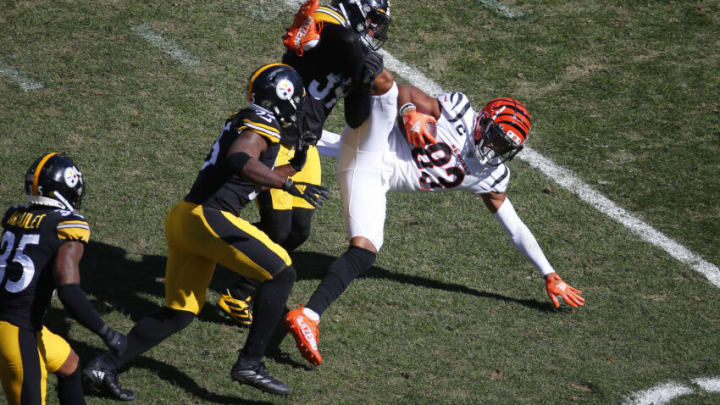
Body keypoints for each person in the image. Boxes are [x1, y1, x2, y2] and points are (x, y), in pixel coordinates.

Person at [284, 82, 586, 367]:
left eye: (504, 146)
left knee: (365, 251)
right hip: (374, 139)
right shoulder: (457, 112)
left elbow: (515, 227)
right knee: (383, 85)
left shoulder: (490, 175)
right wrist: (408, 113)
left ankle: (308, 316)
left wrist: (549, 273)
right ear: (483, 121)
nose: (495, 148)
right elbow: (404, 92)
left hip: (373, 176)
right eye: (495, 136)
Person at [82, 63, 328, 399]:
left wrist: (295, 165)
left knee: (179, 313)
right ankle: (250, 363)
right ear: (283, 96)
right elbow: (240, 158)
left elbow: (247, 171)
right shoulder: (262, 122)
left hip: (186, 218)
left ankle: (102, 365)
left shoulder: (250, 119)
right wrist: (284, 182)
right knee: (282, 273)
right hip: (210, 216)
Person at [216, 0, 393, 327]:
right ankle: (225, 273)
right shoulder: (327, 21)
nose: (373, 29)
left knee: (298, 231)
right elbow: (343, 39)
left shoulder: (355, 52)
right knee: (278, 228)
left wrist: (365, 81)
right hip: (277, 135)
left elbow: (356, 118)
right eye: (371, 19)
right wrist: (359, 64)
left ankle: (234, 284)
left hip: (305, 145)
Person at [0, 153, 128, 405]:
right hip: (17, 330)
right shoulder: (67, 225)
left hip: (15, 322)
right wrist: (107, 333)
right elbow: (68, 291)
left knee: (70, 364)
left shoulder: (15, 216)